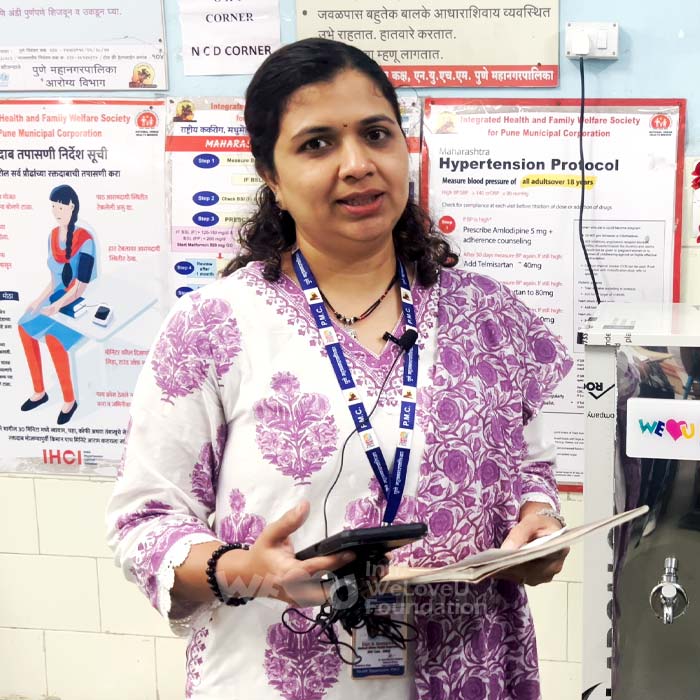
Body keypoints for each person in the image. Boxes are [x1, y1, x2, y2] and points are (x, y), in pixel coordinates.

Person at [106, 38, 573, 700]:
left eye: (376, 134)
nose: (357, 164)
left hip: (468, 667)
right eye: (317, 144)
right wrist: (249, 571)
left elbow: (532, 472)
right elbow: (144, 522)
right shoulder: (212, 327)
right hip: (275, 673)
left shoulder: (490, 317)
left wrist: (539, 524)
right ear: (270, 175)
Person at [18, 184, 96, 425]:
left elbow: (80, 285)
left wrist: (57, 306)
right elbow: (54, 280)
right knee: (23, 326)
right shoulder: (52, 236)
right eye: (53, 207)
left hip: (79, 304)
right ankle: (40, 392)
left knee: (53, 339)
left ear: (71, 206)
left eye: (60, 207)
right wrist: (38, 301)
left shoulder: (86, 240)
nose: (56, 212)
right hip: (56, 299)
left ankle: (70, 400)